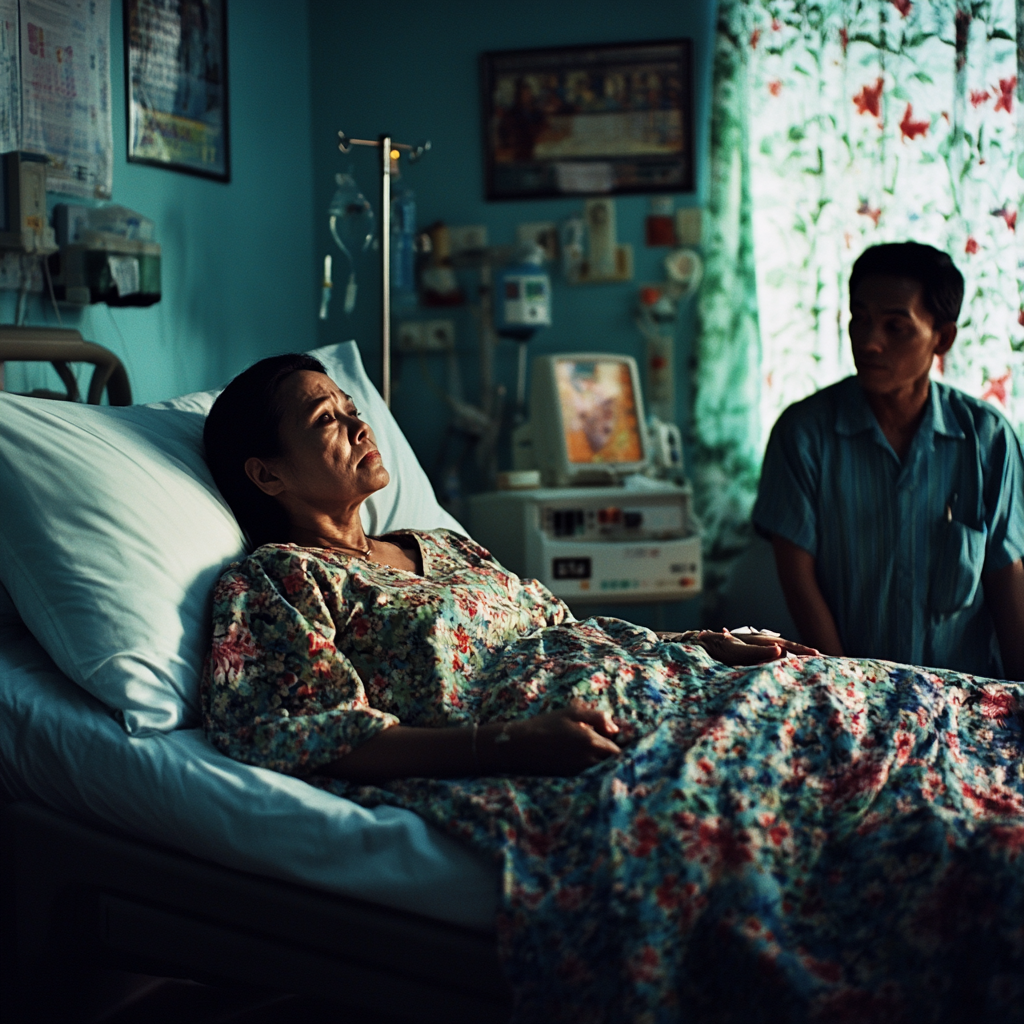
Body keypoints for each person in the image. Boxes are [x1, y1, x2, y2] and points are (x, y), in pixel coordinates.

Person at [201, 353, 1024, 1022]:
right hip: (586, 738)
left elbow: (561, 626)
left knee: (918, 709)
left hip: (676, 684)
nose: (355, 420)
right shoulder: (279, 580)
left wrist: (702, 642)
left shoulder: (436, 543)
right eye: (323, 419)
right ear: (267, 477)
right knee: (935, 845)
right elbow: (300, 729)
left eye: (350, 404)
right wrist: (510, 745)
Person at [753, 242, 1024, 679]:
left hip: (963, 692)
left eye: (896, 327)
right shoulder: (803, 433)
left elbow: (1005, 574)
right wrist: (848, 689)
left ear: (943, 337)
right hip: (848, 688)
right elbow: (799, 581)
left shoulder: (986, 437)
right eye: (859, 320)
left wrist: (1017, 694)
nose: (869, 342)